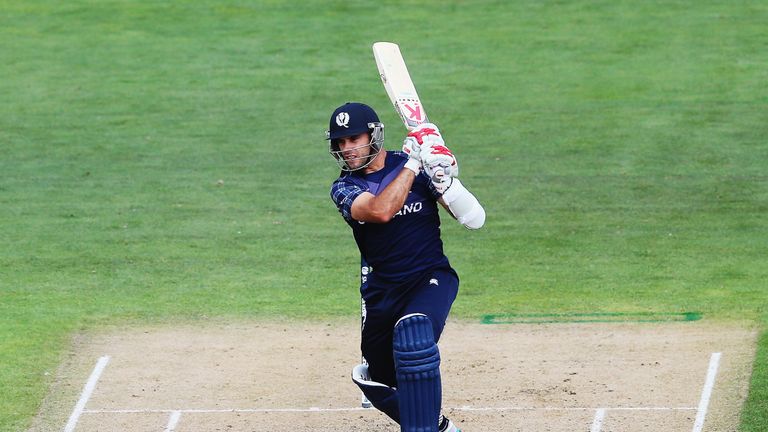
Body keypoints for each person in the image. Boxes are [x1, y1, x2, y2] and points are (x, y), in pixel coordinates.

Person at [325, 102, 485, 432]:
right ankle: (439, 427)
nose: (347, 149)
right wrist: (415, 163)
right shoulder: (345, 188)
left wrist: (443, 176)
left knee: (414, 334)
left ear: (373, 135)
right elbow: (381, 210)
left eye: (354, 138)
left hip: (430, 279)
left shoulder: (418, 167)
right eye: (340, 142)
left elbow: (474, 219)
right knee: (375, 378)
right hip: (384, 292)